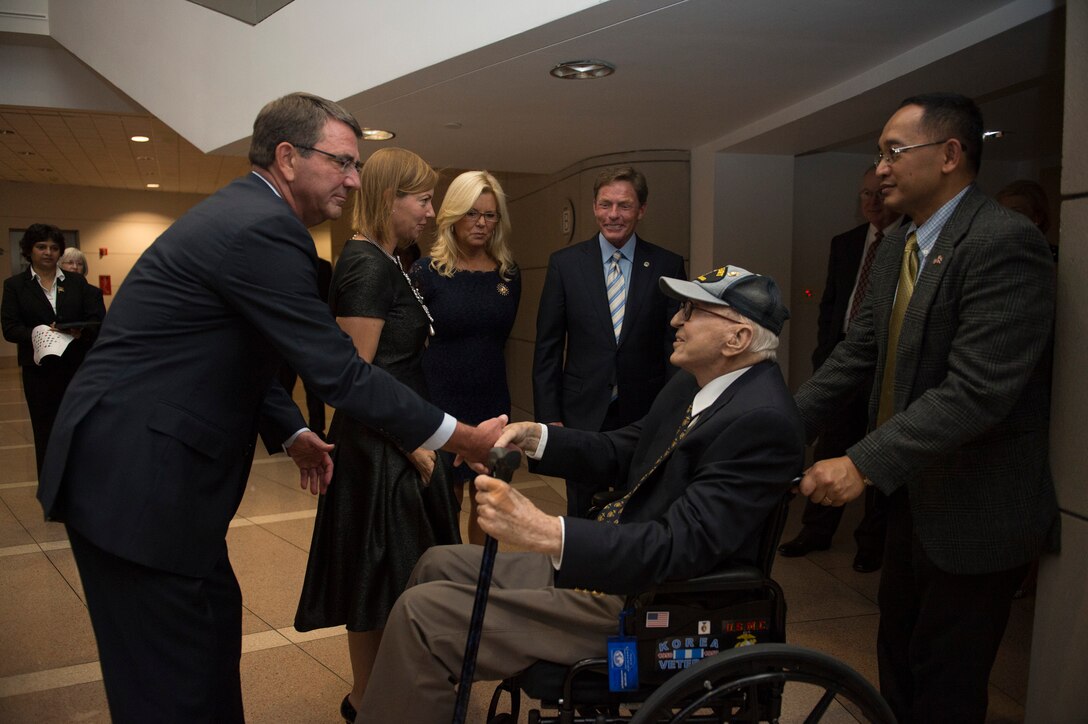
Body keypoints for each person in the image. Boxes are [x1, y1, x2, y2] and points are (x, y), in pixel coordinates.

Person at [35, 93, 502, 723]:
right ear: (288, 157)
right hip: (138, 480)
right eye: (342, 162)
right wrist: (461, 439)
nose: (355, 179)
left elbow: (229, 348)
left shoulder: (251, 216)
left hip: (146, 474)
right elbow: (341, 370)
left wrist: (289, 431)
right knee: (173, 684)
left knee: (204, 646)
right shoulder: (263, 227)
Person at [356, 265, 805, 722]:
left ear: (737, 338)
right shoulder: (697, 385)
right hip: (616, 569)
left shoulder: (761, 422)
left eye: (692, 311)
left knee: (423, 615)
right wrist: (536, 437)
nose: (676, 321)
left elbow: (678, 546)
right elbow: (623, 448)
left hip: (653, 606)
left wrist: (547, 530)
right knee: (436, 562)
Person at [794, 93, 1058, 724]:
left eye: (893, 151)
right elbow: (856, 357)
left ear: (948, 155)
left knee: (947, 681)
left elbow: (979, 390)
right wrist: (772, 426)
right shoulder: (897, 247)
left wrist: (861, 461)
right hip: (913, 493)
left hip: (977, 509)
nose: (880, 167)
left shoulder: (1003, 242)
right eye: (879, 153)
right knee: (899, 657)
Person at [294, 148, 461, 723]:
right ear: (387, 199)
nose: (431, 212)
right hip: (385, 450)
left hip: (399, 439)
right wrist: (413, 443)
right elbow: (354, 377)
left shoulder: (388, 261)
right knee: (382, 587)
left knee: (388, 583)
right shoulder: (366, 263)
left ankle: (374, 700)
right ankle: (372, 702)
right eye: (422, 200)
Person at [533, 165, 686, 517]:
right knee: (581, 508)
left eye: (624, 206)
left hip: (644, 413)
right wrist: (549, 415)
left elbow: (674, 345)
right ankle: (578, 571)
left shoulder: (667, 264)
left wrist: (673, 413)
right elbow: (548, 347)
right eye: (605, 205)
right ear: (594, 207)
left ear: (641, 210)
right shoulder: (565, 264)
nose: (613, 215)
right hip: (581, 413)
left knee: (639, 506)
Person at [778, 167, 900, 572]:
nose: (870, 201)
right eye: (864, 193)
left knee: (878, 454)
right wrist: (823, 359)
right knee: (831, 445)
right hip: (843, 356)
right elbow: (831, 304)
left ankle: (872, 543)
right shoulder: (846, 243)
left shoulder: (905, 243)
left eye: (878, 193)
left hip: (889, 365)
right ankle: (816, 531)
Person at [411, 170, 521, 544]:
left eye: (490, 215)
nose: (481, 224)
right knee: (445, 498)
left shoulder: (508, 274)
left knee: (487, 496)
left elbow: (498, 339)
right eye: (472, 213)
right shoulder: (427, 272)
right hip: (441, 400)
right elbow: (413, 343)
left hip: (491, 400)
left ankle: (479, 580)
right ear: (453, 215)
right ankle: (447, 582)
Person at [2, 225, 105, 476]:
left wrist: (79, 331)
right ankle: (51, 487)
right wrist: (38, 332)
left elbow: (97, 322)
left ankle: (81, 482)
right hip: (38, 372)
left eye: (53, 247)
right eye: (41, 247)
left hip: (75, 368)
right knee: (44, 430)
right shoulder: (15, 285)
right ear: (29, 250)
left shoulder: (76, 283)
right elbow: (10, 328)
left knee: (80, 427)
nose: (48, 252)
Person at [277, 256, 333, 436]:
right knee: (285, 383)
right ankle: (287, 428)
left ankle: (316, 428)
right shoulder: (280, 264)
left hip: (313, 334)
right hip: (286, 333)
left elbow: (328, 301)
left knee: (314, 386)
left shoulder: (323, 267)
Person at [996, 178, 1057, 261]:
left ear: (1037, 217)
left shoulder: (1054, 259)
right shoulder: (997, 254)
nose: (1006, 220)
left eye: (1015, 213)